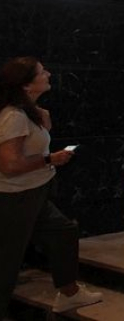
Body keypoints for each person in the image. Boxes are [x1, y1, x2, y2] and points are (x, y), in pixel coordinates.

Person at [0, 57, 102, 316]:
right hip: (17, 196)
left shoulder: (29, 113)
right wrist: (49, 159)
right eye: (41, 72)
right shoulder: (14, 116)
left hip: (35, 192)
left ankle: (69, 292)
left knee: (64, 231)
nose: (48, 74)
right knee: (8, 259)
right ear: (26, 85)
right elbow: (10, 164)